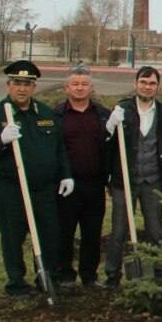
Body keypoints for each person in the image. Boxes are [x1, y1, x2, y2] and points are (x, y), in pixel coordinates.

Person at [0, 60, 73, 297]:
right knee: (13, 235)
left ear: (34, 87)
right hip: (10, 188)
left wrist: (66, 175)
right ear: (8, 85)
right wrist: (0, 140)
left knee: (49, 233)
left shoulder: (46, 113)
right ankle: (16, 283)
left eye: (27, 84)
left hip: (43, 188)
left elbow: (59, 149)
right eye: (17, 83)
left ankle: (46, 277)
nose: (22, 88)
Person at [103, 65, 162, 288]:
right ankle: (112, 276)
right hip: (124, 181)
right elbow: (105, 144)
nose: (147, 87)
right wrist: (109, 127)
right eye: (143, 82)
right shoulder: (122, 110)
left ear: (158, 87)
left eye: (152, 83)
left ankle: (159, 274)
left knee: (155, 230)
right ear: (135, 84)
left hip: (153, 181)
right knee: (119, 230)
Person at [53, 65, 111, 287]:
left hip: (94, 184)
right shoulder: (56, 115)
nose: (80, 88)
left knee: (92, 232)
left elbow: (111, 147)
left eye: (84, 84)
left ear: (91, 87)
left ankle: (89, 275)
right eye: (75, 84)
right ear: (67, 88)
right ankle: (65, 274)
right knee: (64, 231)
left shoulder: (102, 115)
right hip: (66, 185)